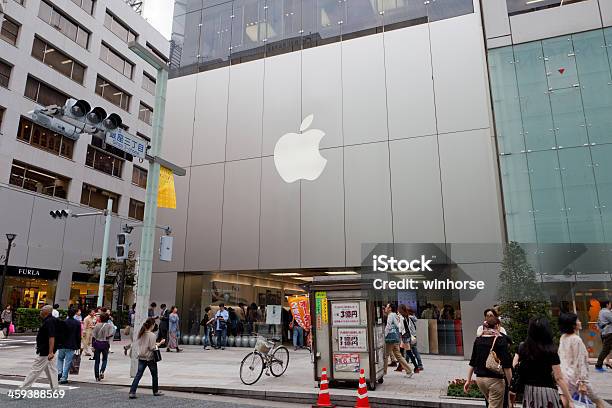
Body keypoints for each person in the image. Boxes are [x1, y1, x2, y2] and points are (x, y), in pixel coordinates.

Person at [511, 317, 573, 408]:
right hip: (547, 392)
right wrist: (570, 399)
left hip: (529, 393)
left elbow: (514, 365)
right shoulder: (550, 350)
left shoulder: (523, 347)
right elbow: (559, 378)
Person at [558, 313, 610, 408]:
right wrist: (582, 381)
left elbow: (561, 357)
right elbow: (581, 362)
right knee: (598, 401)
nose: (580, 322)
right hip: (576, 378)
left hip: (564, 377)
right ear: (573, 325)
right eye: (577, 320)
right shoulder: (576, 339)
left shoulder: (563, 337)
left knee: (568, 403)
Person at [465, 308, 512, 408]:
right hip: (495, 380)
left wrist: (468, 380)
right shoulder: (501, 339)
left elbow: (473, 361)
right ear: (497, 324)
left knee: (491, 403)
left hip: (480, 380)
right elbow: (507, 365)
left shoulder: (479, 339)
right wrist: (511, 385)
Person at [18, 305, 59, 391]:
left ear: (47, 312)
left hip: (45, 351)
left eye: (42, 310)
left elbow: (52, 337)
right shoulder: (52, 320)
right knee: (51, 369)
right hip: (49, 350)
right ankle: (55, 389)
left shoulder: (49, 322)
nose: (40, 311)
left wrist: (50, 352)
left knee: (35, 370)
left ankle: (22, 390)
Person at [128, 318, 166, 399]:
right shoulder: (152, 335)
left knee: (138, 375)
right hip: (150, 358)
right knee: (154, 375)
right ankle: (155, 391)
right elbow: (152, 347)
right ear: (152, 325)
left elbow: (144, 344)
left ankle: (132, 392)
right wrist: (160, 344)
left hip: (141, 357)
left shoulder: (141, 333)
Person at [383, 303, 413, 377]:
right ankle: (409, 371)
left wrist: (384, 335)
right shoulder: (395, 315)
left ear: (390, 308)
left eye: (387, 307)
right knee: (399, 356)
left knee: (385, 355)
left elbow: (388, 326)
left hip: (390, 339)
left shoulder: (390, 315)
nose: (385, 308)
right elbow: (397, 326)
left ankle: (383, 372)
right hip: (396, 338)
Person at [56, 308, 81, 384]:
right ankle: (64, 377)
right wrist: (78, 345)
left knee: (60, 358)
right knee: (68, 361)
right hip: (72, 344)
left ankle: (60, 371)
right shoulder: (77, 323)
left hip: (62, 344)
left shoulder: (63, 322)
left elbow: (59, 334)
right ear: (74, 314)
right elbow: (78, 335)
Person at [92, 313, 115, 381]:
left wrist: (92, 345)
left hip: (97, 344)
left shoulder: (97, 325)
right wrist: (107, 337)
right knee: (104, 359)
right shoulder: (109, 326)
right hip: (105, 344)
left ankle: (96, 376)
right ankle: (102, 371)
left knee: (97, 361)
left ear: (100, 318)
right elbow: (111, 334)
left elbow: (93, 336)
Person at [398, 304, 421, 373]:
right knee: (401, 351)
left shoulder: (402, 317)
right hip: (407, 336)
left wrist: (400, 333)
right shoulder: (406, 316)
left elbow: (401, 328)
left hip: (404, 336)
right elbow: (409, 326)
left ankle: (416, 367)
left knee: (409, 352)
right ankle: (400, 366)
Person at [595, 300, 612, 372]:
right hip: (609, 333)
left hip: (605, 333)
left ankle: (602, 364)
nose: (611, 305)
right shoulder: (606, 312)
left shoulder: (601, 311)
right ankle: (598, 365)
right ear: (607, 304)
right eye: (610, 304)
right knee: (605, 350)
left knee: (606, 350)